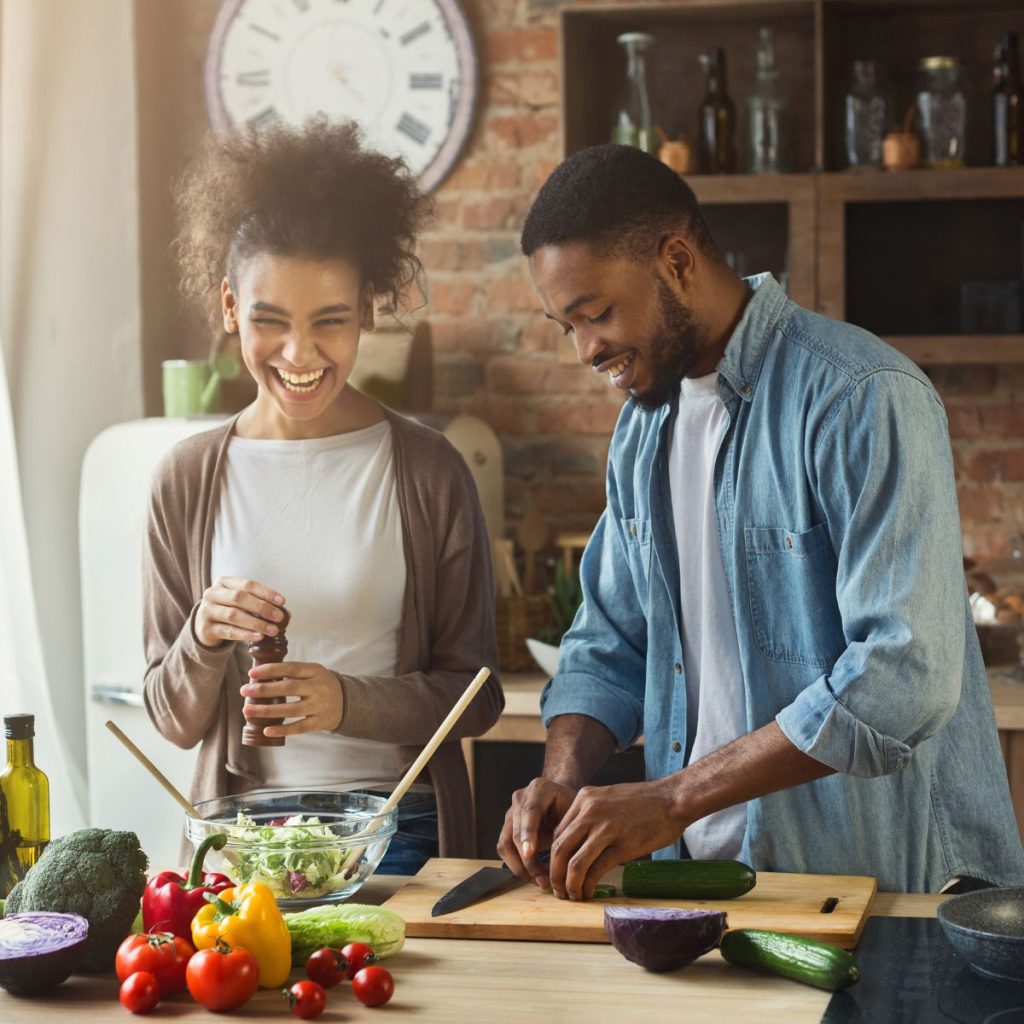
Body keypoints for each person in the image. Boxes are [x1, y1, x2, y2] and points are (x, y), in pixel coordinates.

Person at [498, 143, 1024, 896]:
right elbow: (608, 640)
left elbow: (902, 675)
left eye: (598, 313)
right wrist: (560, 776)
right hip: (699, 883)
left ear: (677, 260)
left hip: (875, 888)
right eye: (565, 327)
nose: (586, 350)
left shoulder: (861, 396)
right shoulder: (644, 428)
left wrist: (673, 799)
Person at [143, 118, 503, 873]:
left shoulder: (430, 471)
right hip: (241, 840)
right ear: (231, 306)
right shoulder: (185, 479)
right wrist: (203, 639)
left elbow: (479, 696)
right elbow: (171, 719)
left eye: (330, 322)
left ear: (368, 308)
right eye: (270, 321)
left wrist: (346, 702)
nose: (300, 355)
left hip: (398, 832)